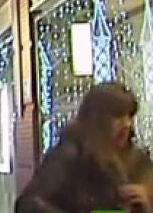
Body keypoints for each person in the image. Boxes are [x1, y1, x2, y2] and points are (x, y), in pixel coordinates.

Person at [16, 82, 153, 213]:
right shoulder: (69, 157)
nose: (127, 124)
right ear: (97, 119)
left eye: (129, 116)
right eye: (118, 116)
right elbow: (28, 205)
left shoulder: (139, 162)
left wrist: (146, 205)